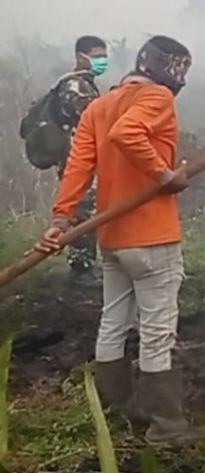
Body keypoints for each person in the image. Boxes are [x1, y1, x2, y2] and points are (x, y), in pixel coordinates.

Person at [36, 35, 196, 444]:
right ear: (167, 70)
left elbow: (78, 165)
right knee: (158, 330)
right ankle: (166, 425)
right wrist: (164, 175)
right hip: (152, 237)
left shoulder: (100, 104)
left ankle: (119, 406)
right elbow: (129, 134)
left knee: (113, 321)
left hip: (112, 237)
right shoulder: (157, 97)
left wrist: (61, 217)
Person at [56, 35, 109, 287]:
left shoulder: (87, 84)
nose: (103, 61)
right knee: (82, 209)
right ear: (81, 56)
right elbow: (91, 120)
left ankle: (86, 262)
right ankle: (80, 267)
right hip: (76, 158)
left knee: (88, 208)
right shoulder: (75, 87)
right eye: (97, 55)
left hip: (85, 156)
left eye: (104, 56)